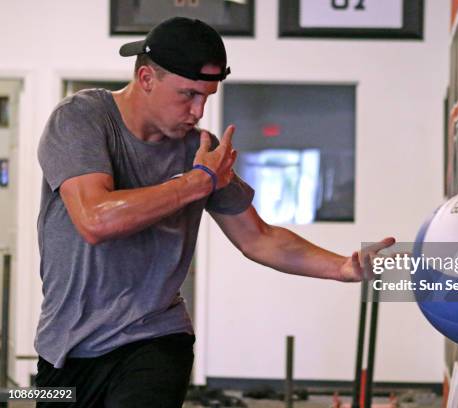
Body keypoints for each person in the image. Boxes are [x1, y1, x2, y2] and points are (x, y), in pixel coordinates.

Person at [34, 17, 395, 408]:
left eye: (207, 96)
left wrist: (342, 266)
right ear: (146, 78)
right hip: (65, 348)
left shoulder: (199, 151)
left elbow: (258, 237)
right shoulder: (81, 119)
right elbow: (96, 219)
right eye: (188, 94)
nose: (198, 110)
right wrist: (196, 182)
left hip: (154, 338)